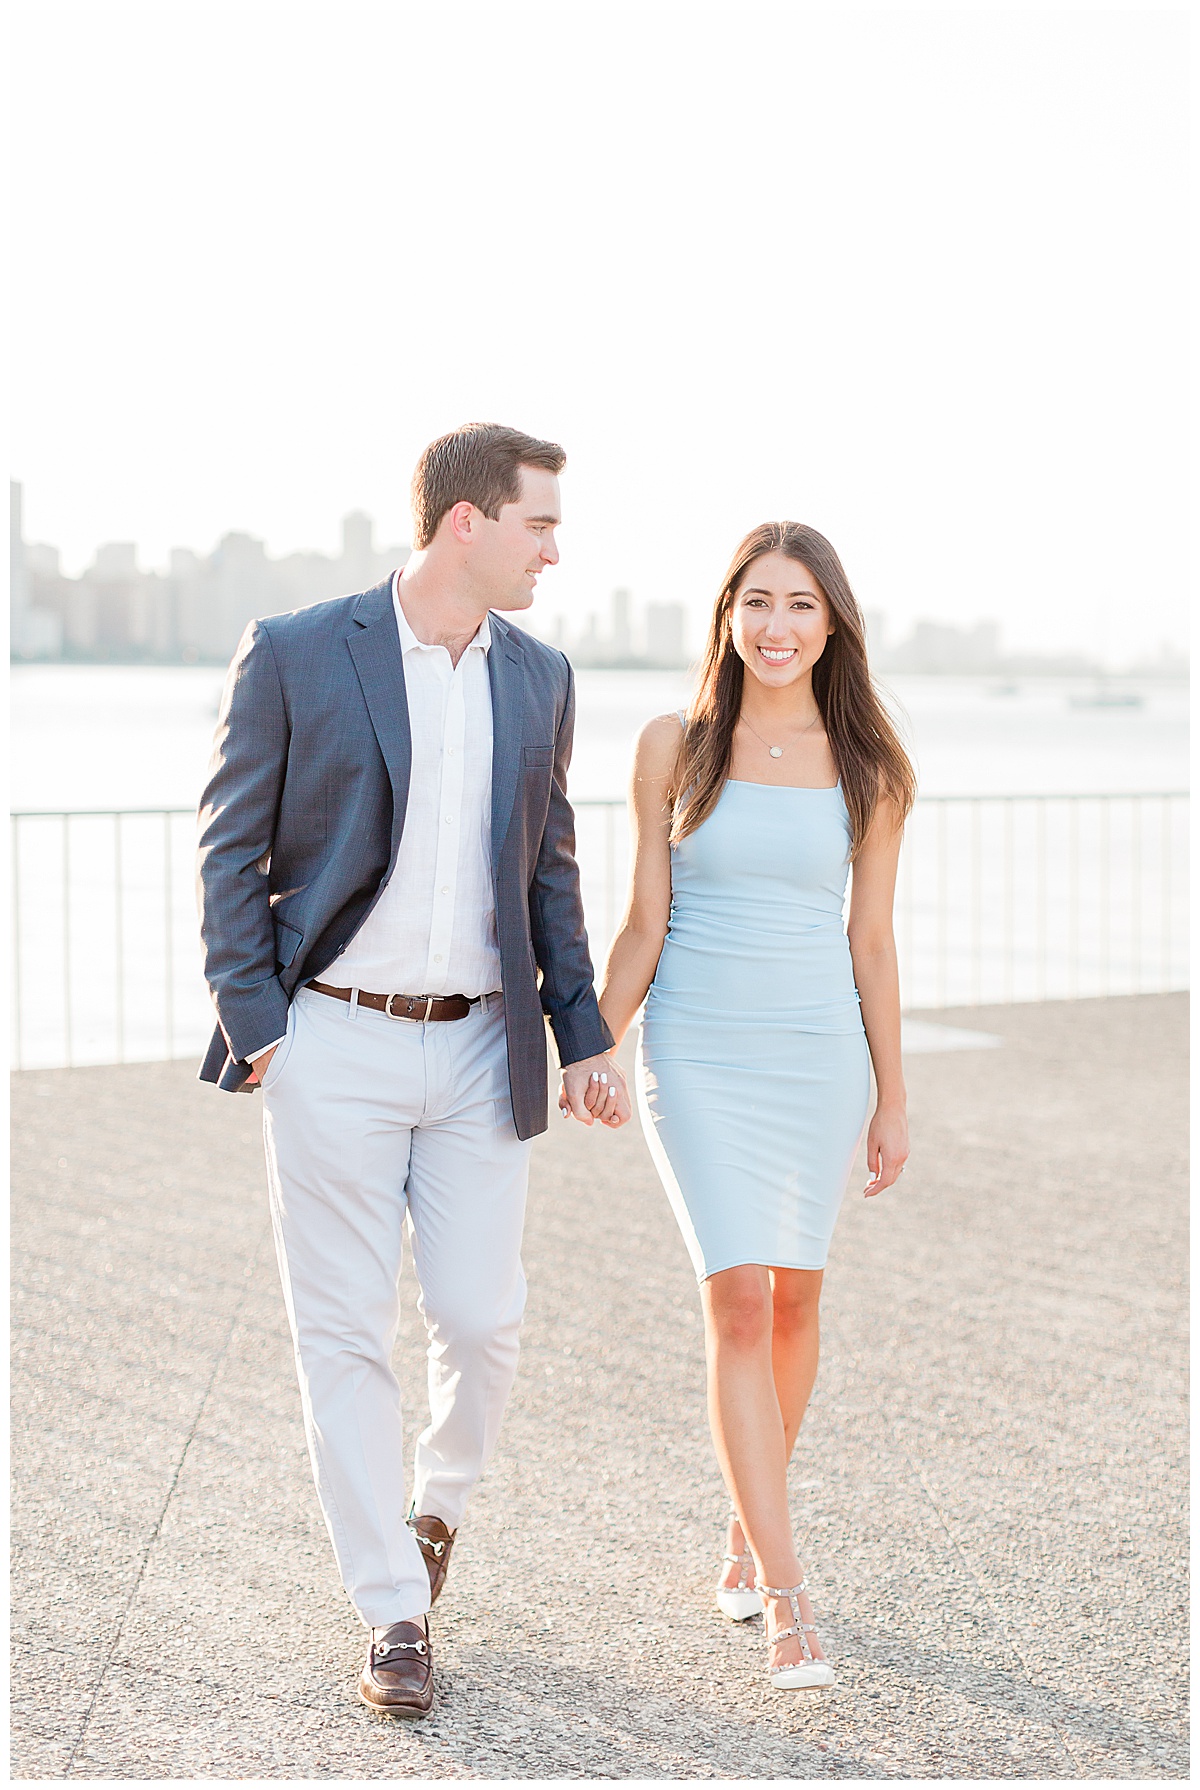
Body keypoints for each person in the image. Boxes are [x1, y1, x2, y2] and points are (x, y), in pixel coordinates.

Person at [196, 422, 630, 1720]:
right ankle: (393, 1609)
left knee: (483, 1315)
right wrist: (262, 1024)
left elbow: (548, 871)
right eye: (539, 523)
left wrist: (587, 1031)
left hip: (484, 1046)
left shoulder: (542, 678)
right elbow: (229, 848)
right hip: (332, 1037)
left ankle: (436, 1507)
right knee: (341, 1333)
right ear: (464, 523)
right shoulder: (295, 651)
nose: (555, 548)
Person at [597, 521, 914, 1691]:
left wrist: (893, 1095)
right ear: (728, 613)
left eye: (803, 607)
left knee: (792, 1309)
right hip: (698, 1049)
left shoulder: (873, 763)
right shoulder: (674, 744)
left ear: (833, 626)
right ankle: (788, 1600)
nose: (778, 627)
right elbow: (643, 921)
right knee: (736, 1300)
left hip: (818, 1054)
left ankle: (748, 1520)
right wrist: (584, 1042)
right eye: (759, 602)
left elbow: (870, 942)